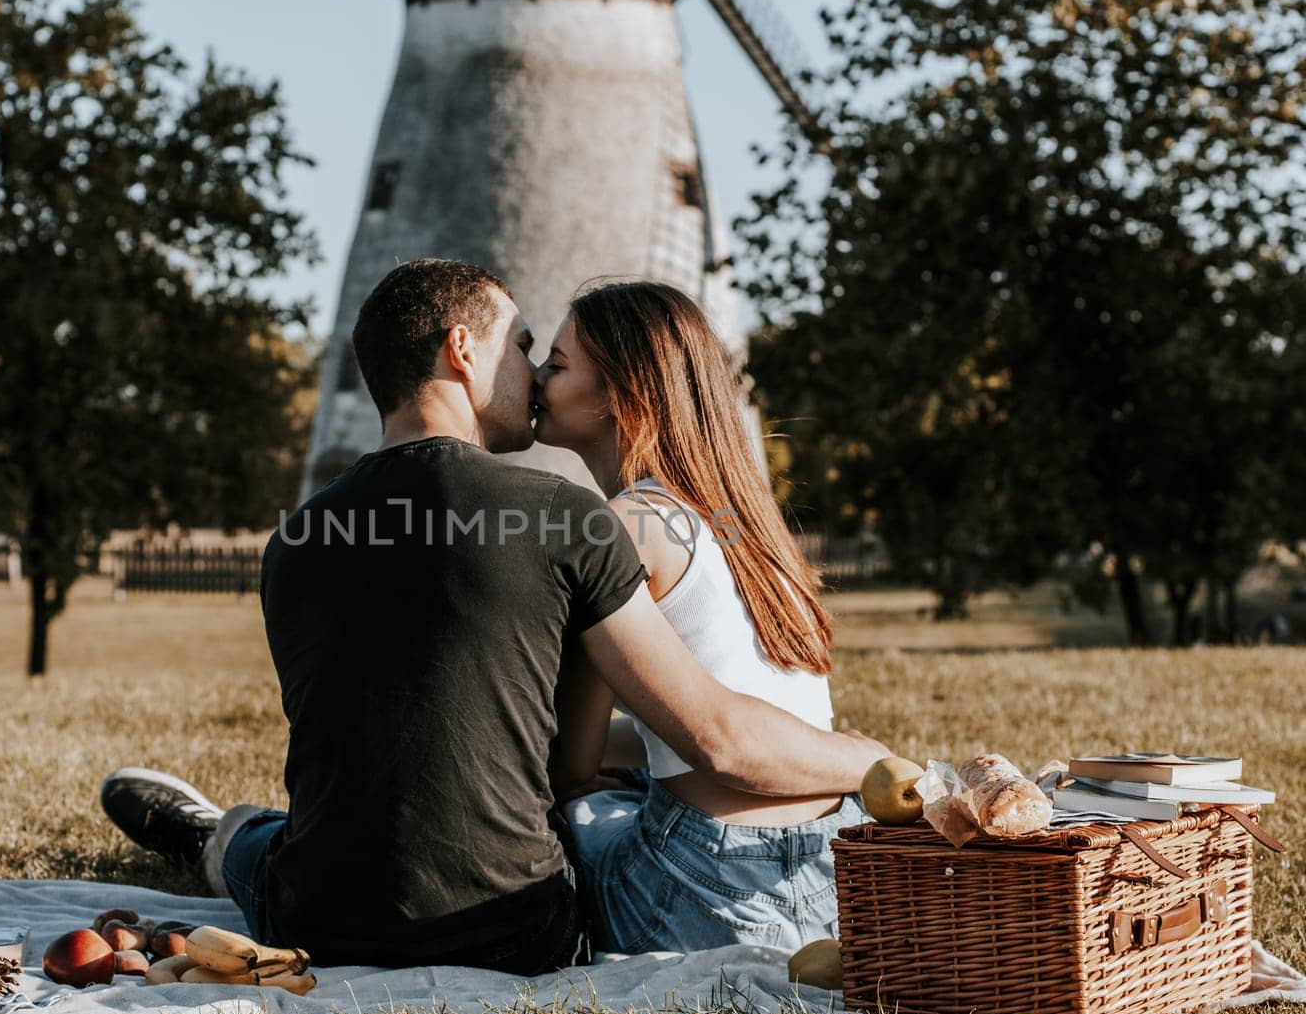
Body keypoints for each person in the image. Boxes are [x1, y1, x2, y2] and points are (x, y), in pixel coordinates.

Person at [100, 259, 888, 974]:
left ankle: (217, 834)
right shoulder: (576, 518)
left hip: (315, 914)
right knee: (585, 811)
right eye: (526, 349)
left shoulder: (295, 538)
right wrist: (870, 761)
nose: (537, 376)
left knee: (262, 838)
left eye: (553, 359)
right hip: (527, 926)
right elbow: (646, 748)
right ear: (463, 351)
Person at [535, 278, 864, 956]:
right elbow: (692, 712)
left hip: (708, 884)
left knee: (577, 814)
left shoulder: (620, 527)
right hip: (832, 865)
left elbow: (573, 762)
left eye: (558, 364)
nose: (536, 377)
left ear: (618, 394)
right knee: (617, 797)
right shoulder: (742, 522)